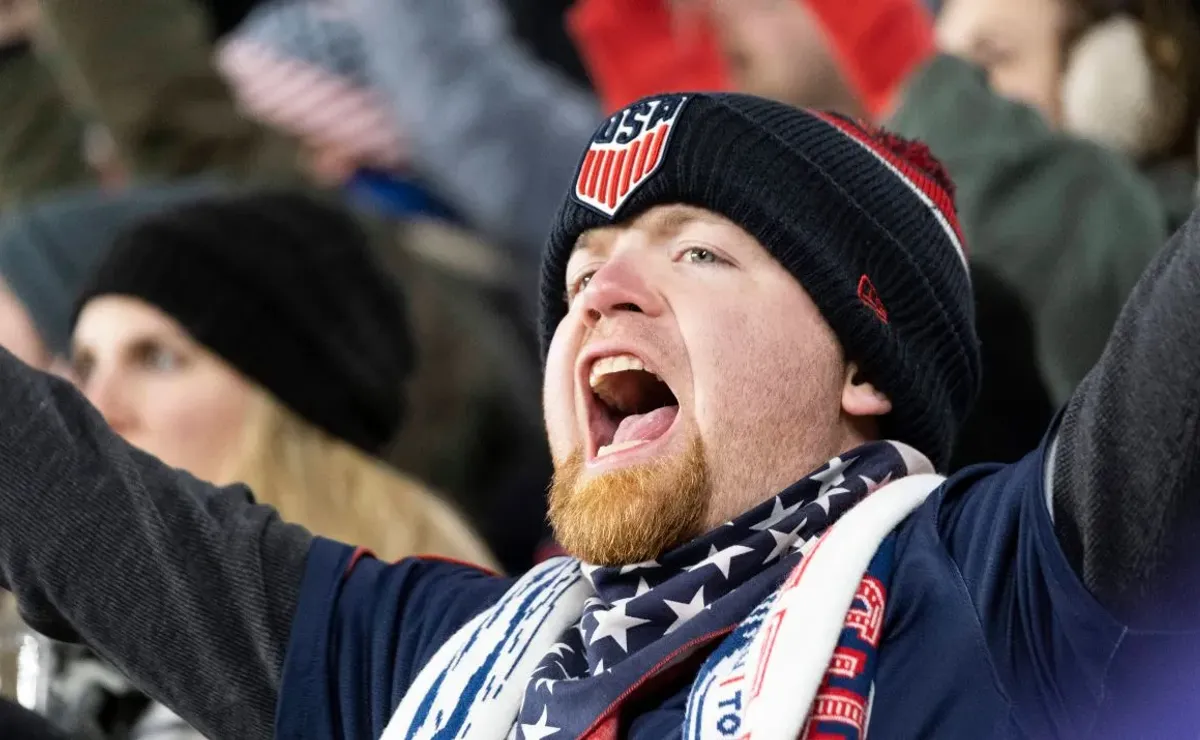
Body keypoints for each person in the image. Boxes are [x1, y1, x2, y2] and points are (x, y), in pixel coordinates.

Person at [0, 93, 1198, 738]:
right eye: (579, 281)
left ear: (864, 365)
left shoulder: (1014, 592)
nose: (602, 294)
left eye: (698, 253)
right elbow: (65, 502)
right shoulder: (429, 661)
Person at [68, 190, 495, 567]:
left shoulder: (441, 624)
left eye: (158, 358)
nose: (96, 408)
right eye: (86, 366)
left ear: (286, 404)